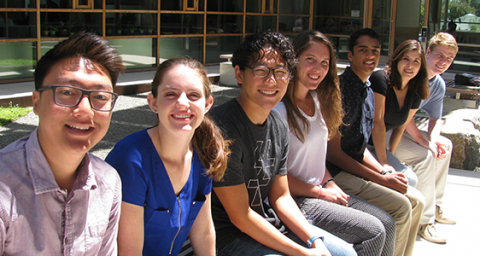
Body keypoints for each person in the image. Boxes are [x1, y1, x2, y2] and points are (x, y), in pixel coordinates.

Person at [210, 31, 357, 256]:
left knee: (346, 253)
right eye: (260, 71)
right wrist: (302, 252)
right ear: (239, 74)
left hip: (271, 224)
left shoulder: (277, 124)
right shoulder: (222, 127)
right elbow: (240, 216)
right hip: (232, 237)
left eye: (280, 72)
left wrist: (313, 240)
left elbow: (280, 196)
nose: (271, 81)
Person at [0, 32, 124, 255]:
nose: (85, 111)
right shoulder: (4, 187)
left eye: (100, 96)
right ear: (36, 103)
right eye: (67, 92)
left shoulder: (108, 182)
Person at [273, 30, 395, 256]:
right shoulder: (278, 110)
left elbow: (317, 158)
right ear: (293, 60)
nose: (317, 69)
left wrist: (329, 181)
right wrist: (319, 192)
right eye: (310, 59)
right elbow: (273, 177)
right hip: (297, 199)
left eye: (324, 63)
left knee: (387, 222)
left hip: (320, 188)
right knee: (374, 231)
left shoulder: (319, 101)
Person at [105, 58, 230, 255]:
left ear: (208, 104)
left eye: (193, 95)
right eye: (170, 94)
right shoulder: (130, 160)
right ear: (153, 102)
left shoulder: (204, 154)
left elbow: (204, 232)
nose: (182, 103)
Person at [325, 28, 425, 256]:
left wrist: (383, 169)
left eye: (375, 51)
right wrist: (381, 178)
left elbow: (360, 148)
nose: (370, 55)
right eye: (363, 50)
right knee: (401, 206)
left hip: (356, 166)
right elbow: (334, 153)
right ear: (350, 55)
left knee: (417, 200)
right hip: (335, 172)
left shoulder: (368, 89)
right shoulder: (338, 90)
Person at [393, 32, 458, 244]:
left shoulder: (438, 83)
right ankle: (424, 221)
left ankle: (436, 205)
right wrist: (425, 142)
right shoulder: (412, 72)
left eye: (449, 58)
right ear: (428, 52)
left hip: (404, 129)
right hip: (389, 130)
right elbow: (403, 115)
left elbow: (435, 118)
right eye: (440, 55)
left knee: (444, 145)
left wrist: (434, 139)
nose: (444, 62)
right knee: (425, 155)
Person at [368, 39, 429, 186]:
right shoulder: (381, 79)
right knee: (408, 181)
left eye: (416, 61)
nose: (410, 65)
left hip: (376, 147)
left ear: (421, 66)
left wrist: (391, 155)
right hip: (360, 145)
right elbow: (378, 122)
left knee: (409, 180)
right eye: (406, 59)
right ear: (396, 60)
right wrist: (384, 161)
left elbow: (401, 127)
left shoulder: (416, 90)